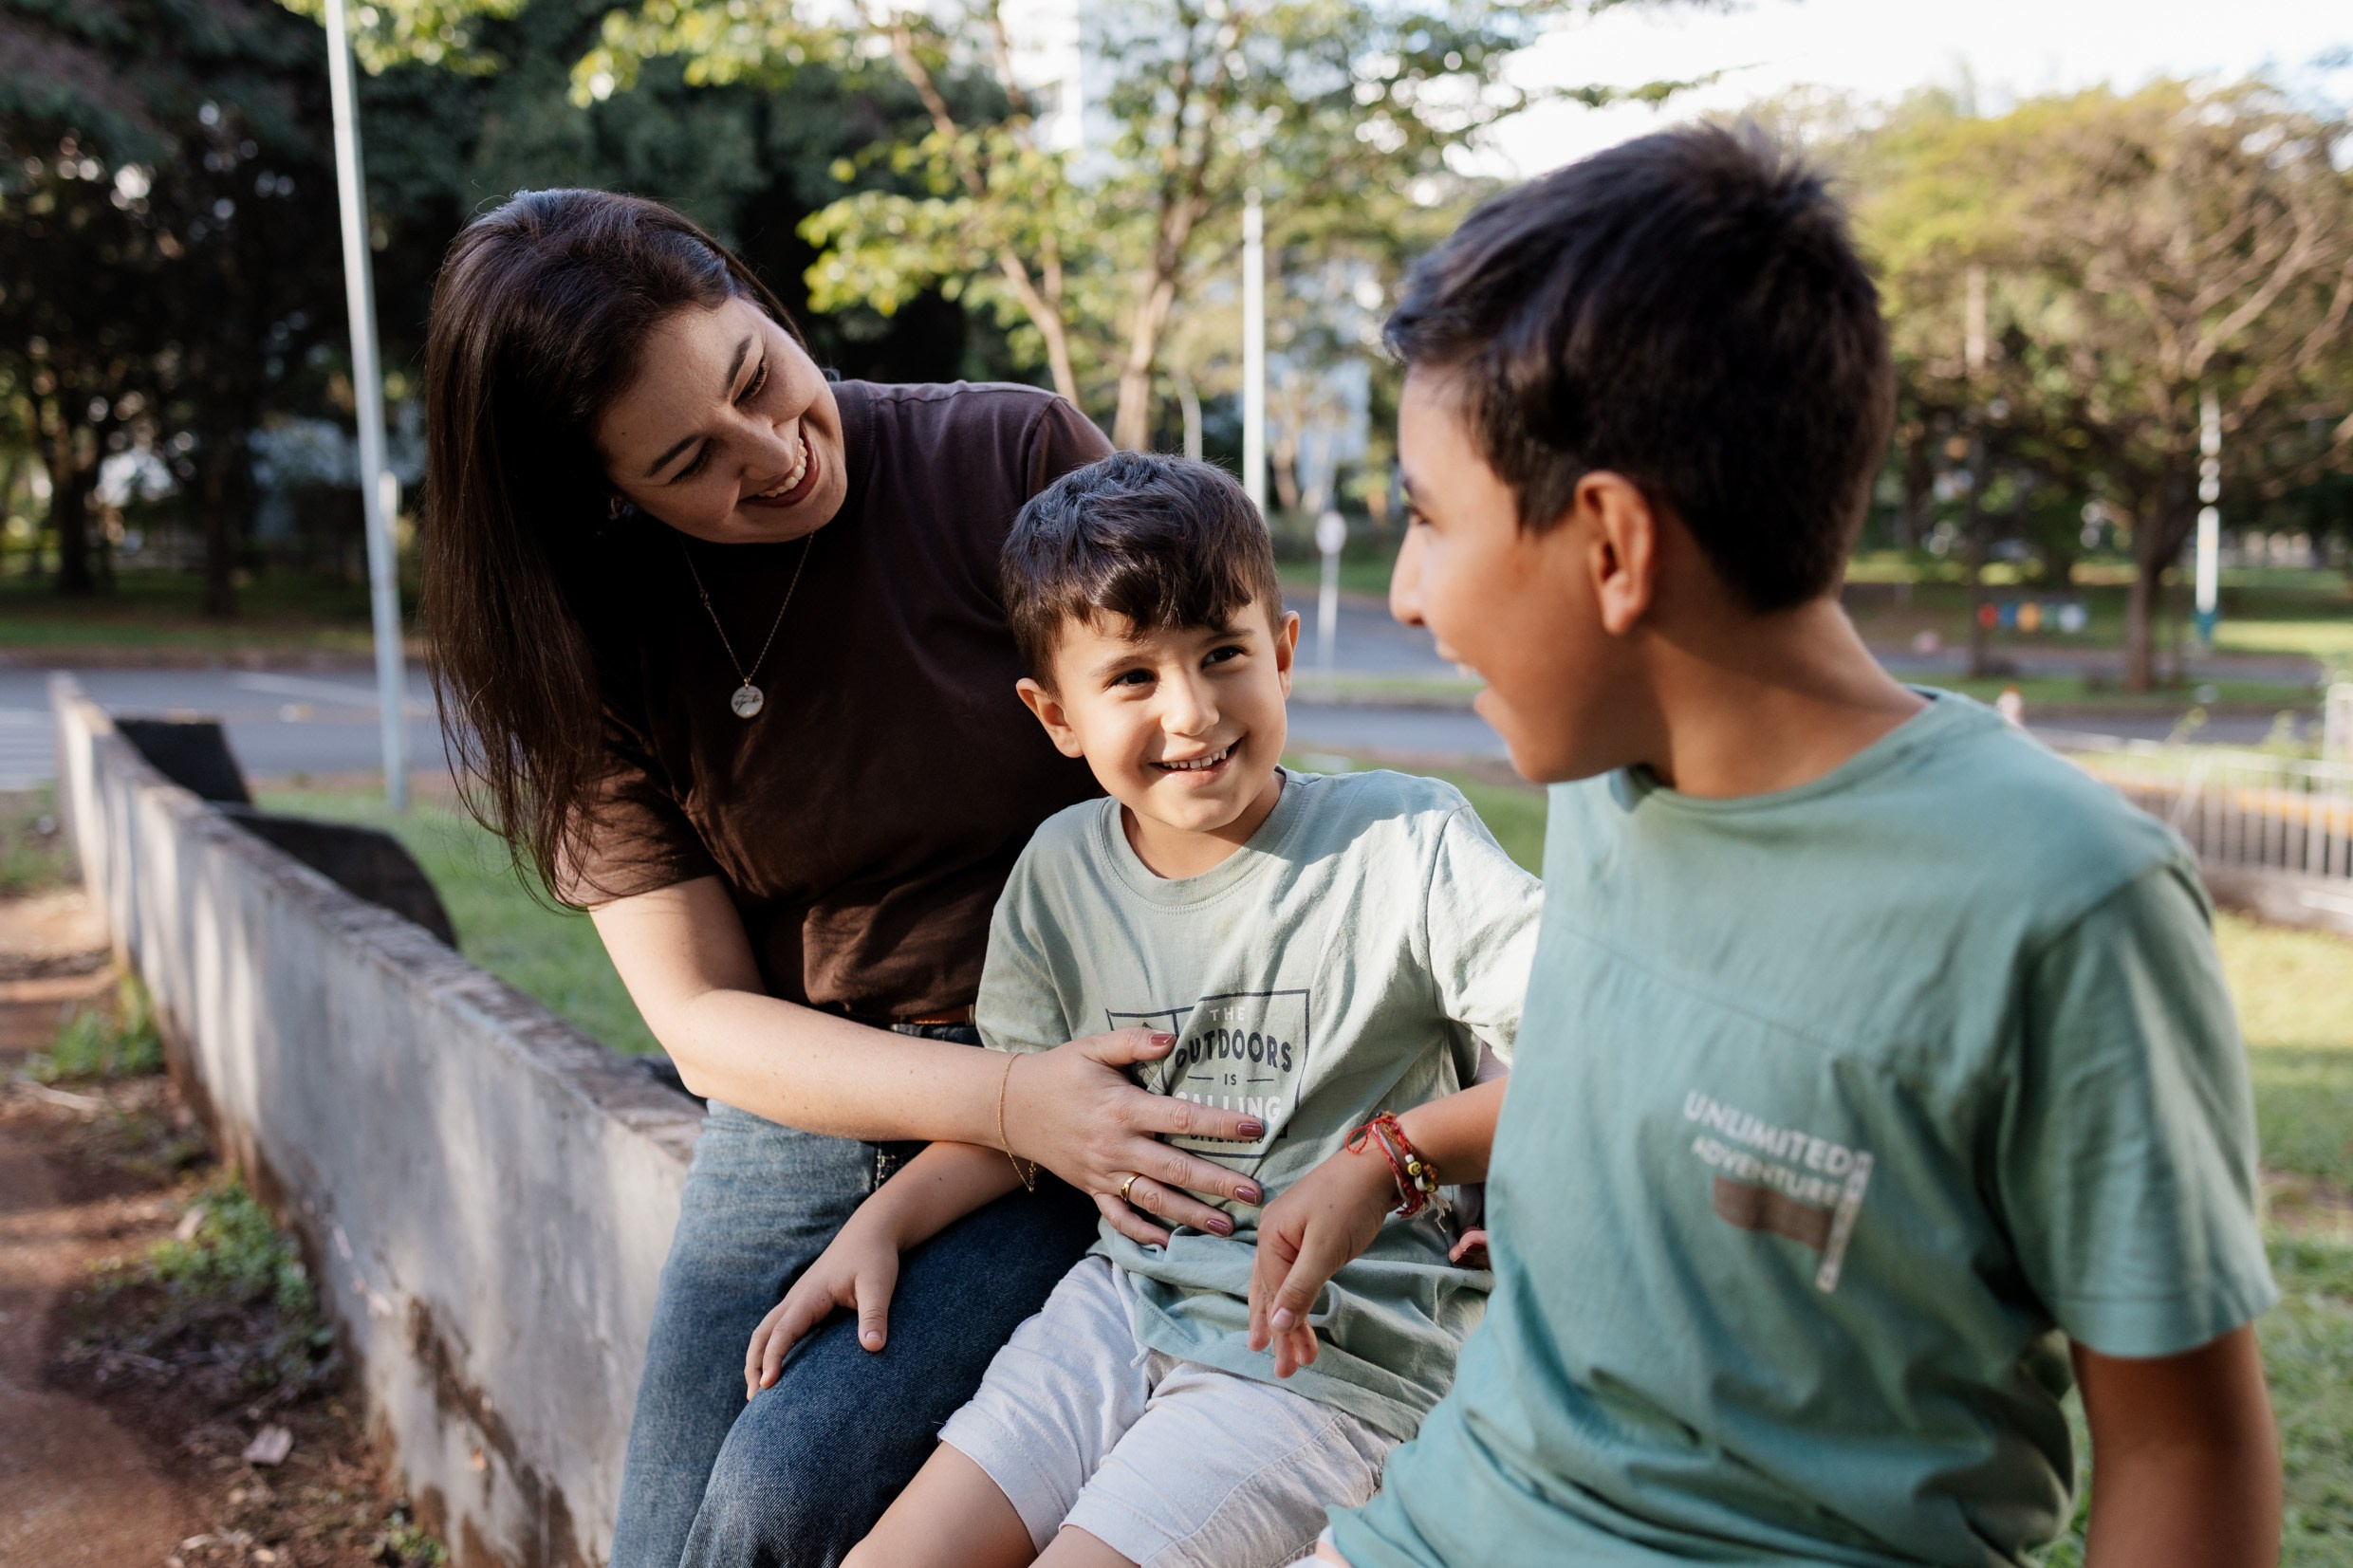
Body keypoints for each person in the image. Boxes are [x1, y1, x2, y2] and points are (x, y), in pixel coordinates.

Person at [1279, 126, 2282, 1566]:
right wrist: (1395, 1153)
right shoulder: (1603, 772)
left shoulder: (2064, 903)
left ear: (1613, 546)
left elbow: (2184, 1444)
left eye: (1428, 521)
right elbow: (1658, 1073)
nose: (1410, 595)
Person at [419, 191, 1274, 1568]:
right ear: (607, 496)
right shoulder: (589, 631)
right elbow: (700, 1020)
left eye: (755, 375)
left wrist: (1032, 1098)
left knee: (781, 1500)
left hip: (1078, 1072)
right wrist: (1002, 1104)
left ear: (758, 303)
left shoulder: (1004, 457)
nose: (773, 453)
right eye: (690, 460)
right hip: (807, 1107)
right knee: (666, 1544)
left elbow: (1209, 770)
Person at [739, 452, 1543, 1568]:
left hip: (1322, 1358)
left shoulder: (1403, 842)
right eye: (1131, 676)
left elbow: (1590, 1053)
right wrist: (882, 1222)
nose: (1192, 710)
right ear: (1054, 714)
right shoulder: (1060, 873)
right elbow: (1026, 1118)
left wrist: (1390, 1156)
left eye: (1223, 654)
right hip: (1118, 1308)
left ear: (1282, 652)